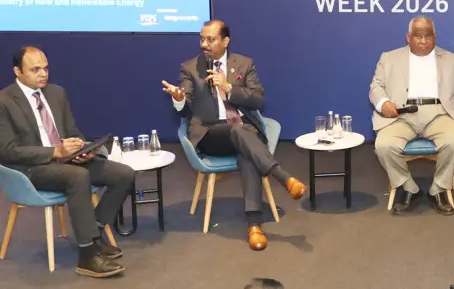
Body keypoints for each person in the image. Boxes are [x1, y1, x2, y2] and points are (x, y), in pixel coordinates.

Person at [161, 20, 305, 251]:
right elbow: (185, 103)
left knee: (244, 145)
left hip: (243, 130)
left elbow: (259, 99)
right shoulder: (190, 67)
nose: (204, 44)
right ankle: (283, 177)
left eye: (210, 39)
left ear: (225, 41)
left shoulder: (244, 64)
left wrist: (229, 88)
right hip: (210, 134)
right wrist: (178, 98)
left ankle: (254, 226)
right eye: (202, 39)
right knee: (241, 132)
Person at [0, 46, 134, 278]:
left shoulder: (56, 93)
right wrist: (55, 152)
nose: (43, 74)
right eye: (35, 69)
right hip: (32, 169)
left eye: (45, 68)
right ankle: (87, 255)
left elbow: (72, 132)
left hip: (66, 161)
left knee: (124, 174)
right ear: (17, 71)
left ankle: (94, 233)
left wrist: (83, 149)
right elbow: (8, 151)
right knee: (78, 176)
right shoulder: (4, 101)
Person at [370, 16, 454, 215]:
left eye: (428, 36)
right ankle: (409, 187)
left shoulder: (451, 59)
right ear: (408, 37)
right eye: (418, 36)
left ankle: (438, 189)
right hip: (401, 115)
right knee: (384, 146)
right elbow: (376, 87)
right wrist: (383, 103)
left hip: (439, 114)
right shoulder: (389, 58)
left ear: (435, 36)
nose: (423, 41)